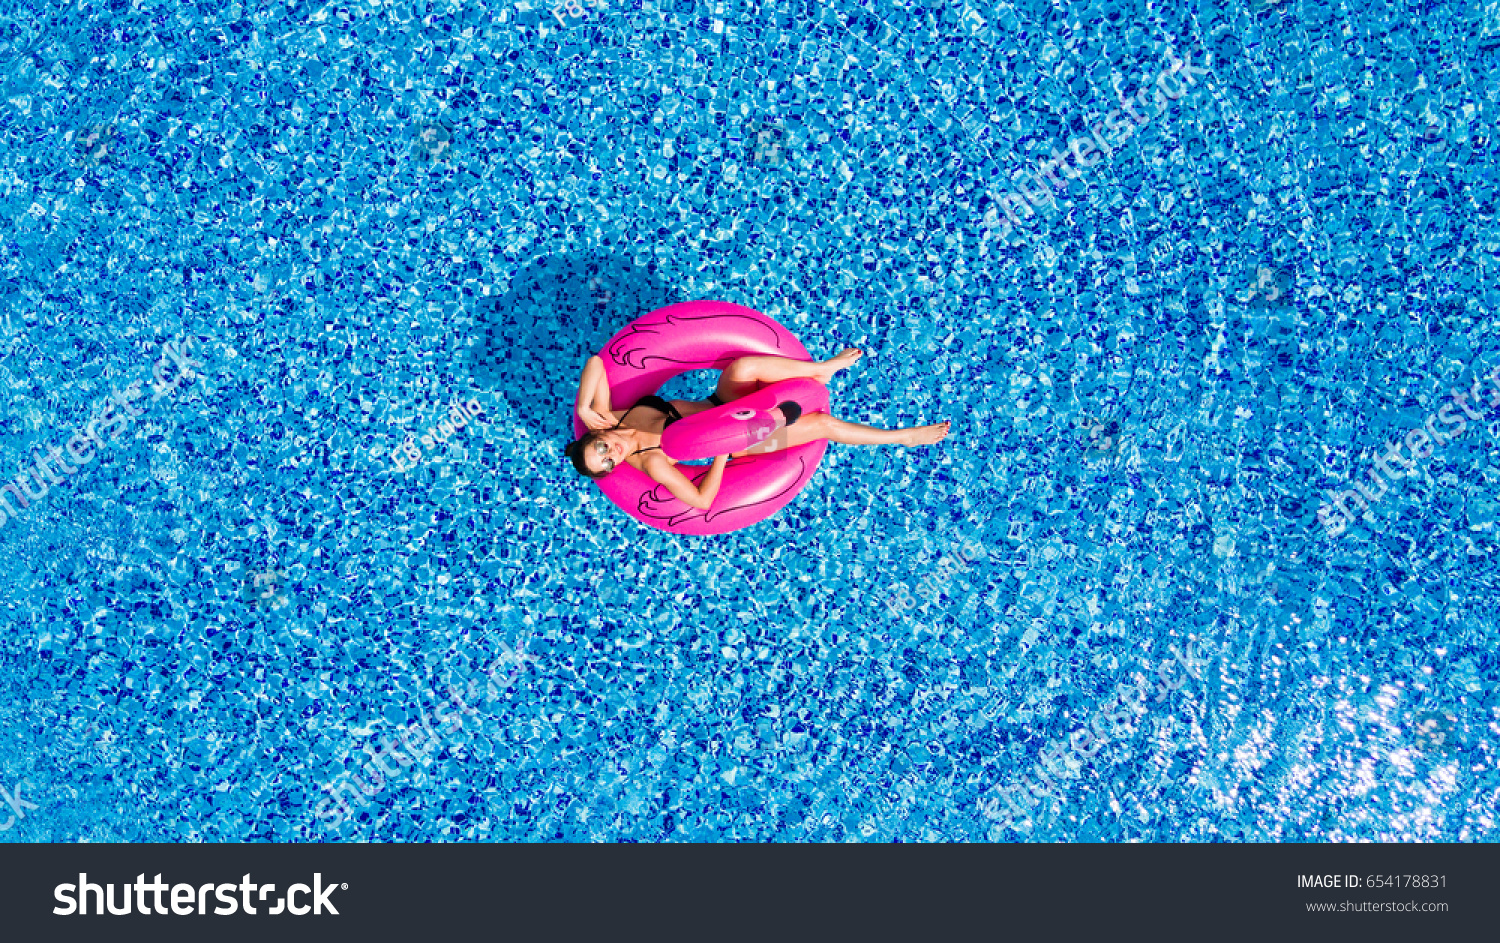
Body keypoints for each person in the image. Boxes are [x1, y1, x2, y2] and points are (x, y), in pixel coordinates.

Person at [564, 349, 950, 510]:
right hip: (744, 439)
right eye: (607, 463)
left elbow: (597, 362)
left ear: (597, 436)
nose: (610, 454)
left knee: (743, 369)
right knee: (822, 425)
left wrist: (584, 405)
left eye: (600, 449)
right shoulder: (652, 464)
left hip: (722, 406)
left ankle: (820, 370)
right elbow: (701, 501)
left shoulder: (612, 416)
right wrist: (720, 448)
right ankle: (902, 436)